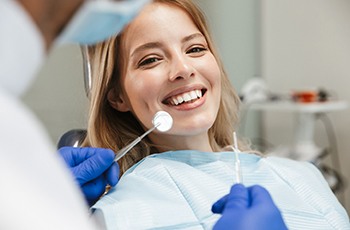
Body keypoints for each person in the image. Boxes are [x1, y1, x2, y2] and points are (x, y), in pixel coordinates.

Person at [76, 0, 349, 229]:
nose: (183, 69)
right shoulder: (114, 214)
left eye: (195, 49)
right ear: (117, 96)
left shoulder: (302, 177)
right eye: (151, 59)